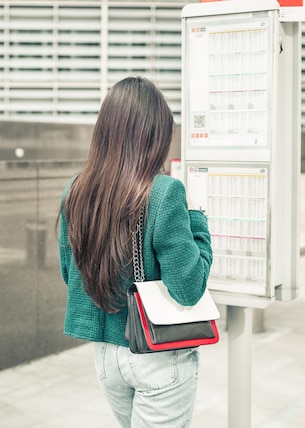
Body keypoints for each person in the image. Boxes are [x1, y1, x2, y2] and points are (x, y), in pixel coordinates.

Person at [57, 76, 213, 427]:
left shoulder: (76, 190)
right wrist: (198, 222)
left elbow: (71, 273)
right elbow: (188, 288)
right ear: (155, 137)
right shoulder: (164, 193)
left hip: (107, 356)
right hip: (156, 353)